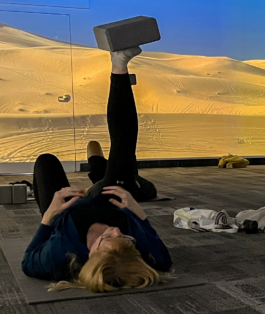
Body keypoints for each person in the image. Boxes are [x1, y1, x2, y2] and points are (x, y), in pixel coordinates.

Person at [22, 47, 172, 291]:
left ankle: (96, 169)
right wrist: (138, 214)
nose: (115, 231)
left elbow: (27, 262)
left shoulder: (60, 254)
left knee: (46, 161)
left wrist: (49, 215)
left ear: (90, 255)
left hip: (67, 213)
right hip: (109, 201)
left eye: (107, 239)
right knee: (123, 151)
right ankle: (120, 63)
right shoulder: (132, 252)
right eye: (125, 238)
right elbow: (164, 260)